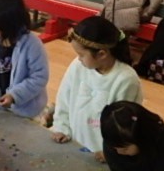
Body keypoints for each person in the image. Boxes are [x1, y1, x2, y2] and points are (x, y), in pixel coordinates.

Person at [50, 16, 143, 162]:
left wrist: (111, 153)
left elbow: (125, 126)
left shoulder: (126, 79)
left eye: (81, 55)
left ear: (102, 54)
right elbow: (64, 99)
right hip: (73, 145)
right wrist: (61, 127)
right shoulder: (78, 66)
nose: (78, 59)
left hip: (102, 156)